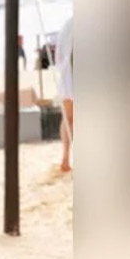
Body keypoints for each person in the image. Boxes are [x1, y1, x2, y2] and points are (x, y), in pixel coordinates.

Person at [55, 17, 73, 172]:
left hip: (68, 75)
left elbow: (58, 55)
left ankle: (65, 157)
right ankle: (66, 158)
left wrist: (62, 70)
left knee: (68, 118)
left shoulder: (68, 24)